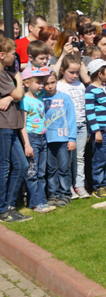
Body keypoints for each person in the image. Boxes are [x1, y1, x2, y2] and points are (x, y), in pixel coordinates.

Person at [0, 36, 31, 222]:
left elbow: (17, 95)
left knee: (21, 165)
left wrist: (10, 97)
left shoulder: (5, 73)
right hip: (3, 125)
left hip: (11, 125)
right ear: (2, 55)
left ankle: (10, 206)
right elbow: (20, 93)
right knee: (4, 167)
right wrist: (18, 76)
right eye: (13, 54)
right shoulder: (2, 74)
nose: (15, 57)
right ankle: (3, 209)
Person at [20, 66, 54, 212]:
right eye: (38, 82)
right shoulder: (24, 100)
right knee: (32, 173)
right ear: (27, 83)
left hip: (42, 138)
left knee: (41, 173)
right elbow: (22, 125)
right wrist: (27, 144)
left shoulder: (40, 99)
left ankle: (42, 201)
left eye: (42, 82)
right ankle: (34, 203)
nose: (41, 85)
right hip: (31, 138)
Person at [85, 59, 106, 198]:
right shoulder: (90, 90)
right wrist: (96, 131)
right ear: (100, 74)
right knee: (99, 159)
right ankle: (97, 186)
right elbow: (90, 112)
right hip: (101, 130)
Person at [57, 55, 90, 198]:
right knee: (67, 158)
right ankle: (68, 186)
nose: (75, 75)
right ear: (63, 70)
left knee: (79, 157)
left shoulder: (80, 85)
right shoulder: (58, 86)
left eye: (77, 72)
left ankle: (79, 185)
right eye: (71, 72)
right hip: (66, 126)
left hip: (82, 124)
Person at [43, 70, 77, 205]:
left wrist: (72, 138)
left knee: (64, 168)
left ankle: (65, 193)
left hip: (63, 139)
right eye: (46, 84)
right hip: (47, 139)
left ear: (57, 81)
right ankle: (53, 193)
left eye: (53, 82)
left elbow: (71, 118)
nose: (50, 86)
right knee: (51, 169)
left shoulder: (65, 98)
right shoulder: (40, 99)